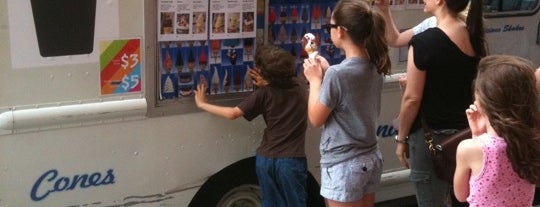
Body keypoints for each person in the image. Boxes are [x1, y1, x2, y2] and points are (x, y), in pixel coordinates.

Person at [393, 0, 487, 205]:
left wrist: (401, 139)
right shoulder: (474, 34)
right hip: (465, 135)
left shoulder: (423, 42)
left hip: (430, 139)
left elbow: (412, 98)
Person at [194, 44, 309, 207]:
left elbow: (232, 113)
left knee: (270, 202)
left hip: (266, 159)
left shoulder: (263, 94)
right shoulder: (301, 87)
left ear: (265, 75)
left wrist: (202, 104)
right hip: (291, 160)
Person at [302, 0, 391, 206]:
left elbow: (315, 118)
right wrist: (326, 73)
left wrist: (315, 81)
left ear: (340, 31)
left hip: (343, 163)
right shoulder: (376, 65)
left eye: (330, 27)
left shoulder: (337, 74)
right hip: (369, 157)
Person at [453, 55, 540, 206]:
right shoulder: (533, 140)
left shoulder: (469, 149)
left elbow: (461, 195)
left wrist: (477, 136)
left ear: (481, 102)